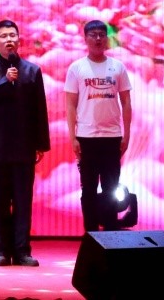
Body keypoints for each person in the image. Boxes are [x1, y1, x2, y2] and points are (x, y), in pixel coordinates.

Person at [0, 20, 49, 267]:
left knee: (22, 201)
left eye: (13, 35)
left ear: (19, 40)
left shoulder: (32, 71)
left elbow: (40, 109)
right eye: (4, 36)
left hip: (24, 146)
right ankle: (1, 251)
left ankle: (22, 251)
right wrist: (4, 82)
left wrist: (41, 143)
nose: (9, 40)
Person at [65, 20, 132, 232]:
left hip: (112, 137)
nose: (97, 39)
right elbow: (70, 104)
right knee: (89, 190)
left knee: (111, 188)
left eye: (102, 35)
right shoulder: (77, 68)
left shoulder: (118, 67)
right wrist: (73, 137)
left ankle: (111, 234)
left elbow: (126, 102)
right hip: (86, 138)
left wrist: (126, 134)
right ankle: (91, 234)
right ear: (85, 39)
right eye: (93, 35)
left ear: (107, 38)